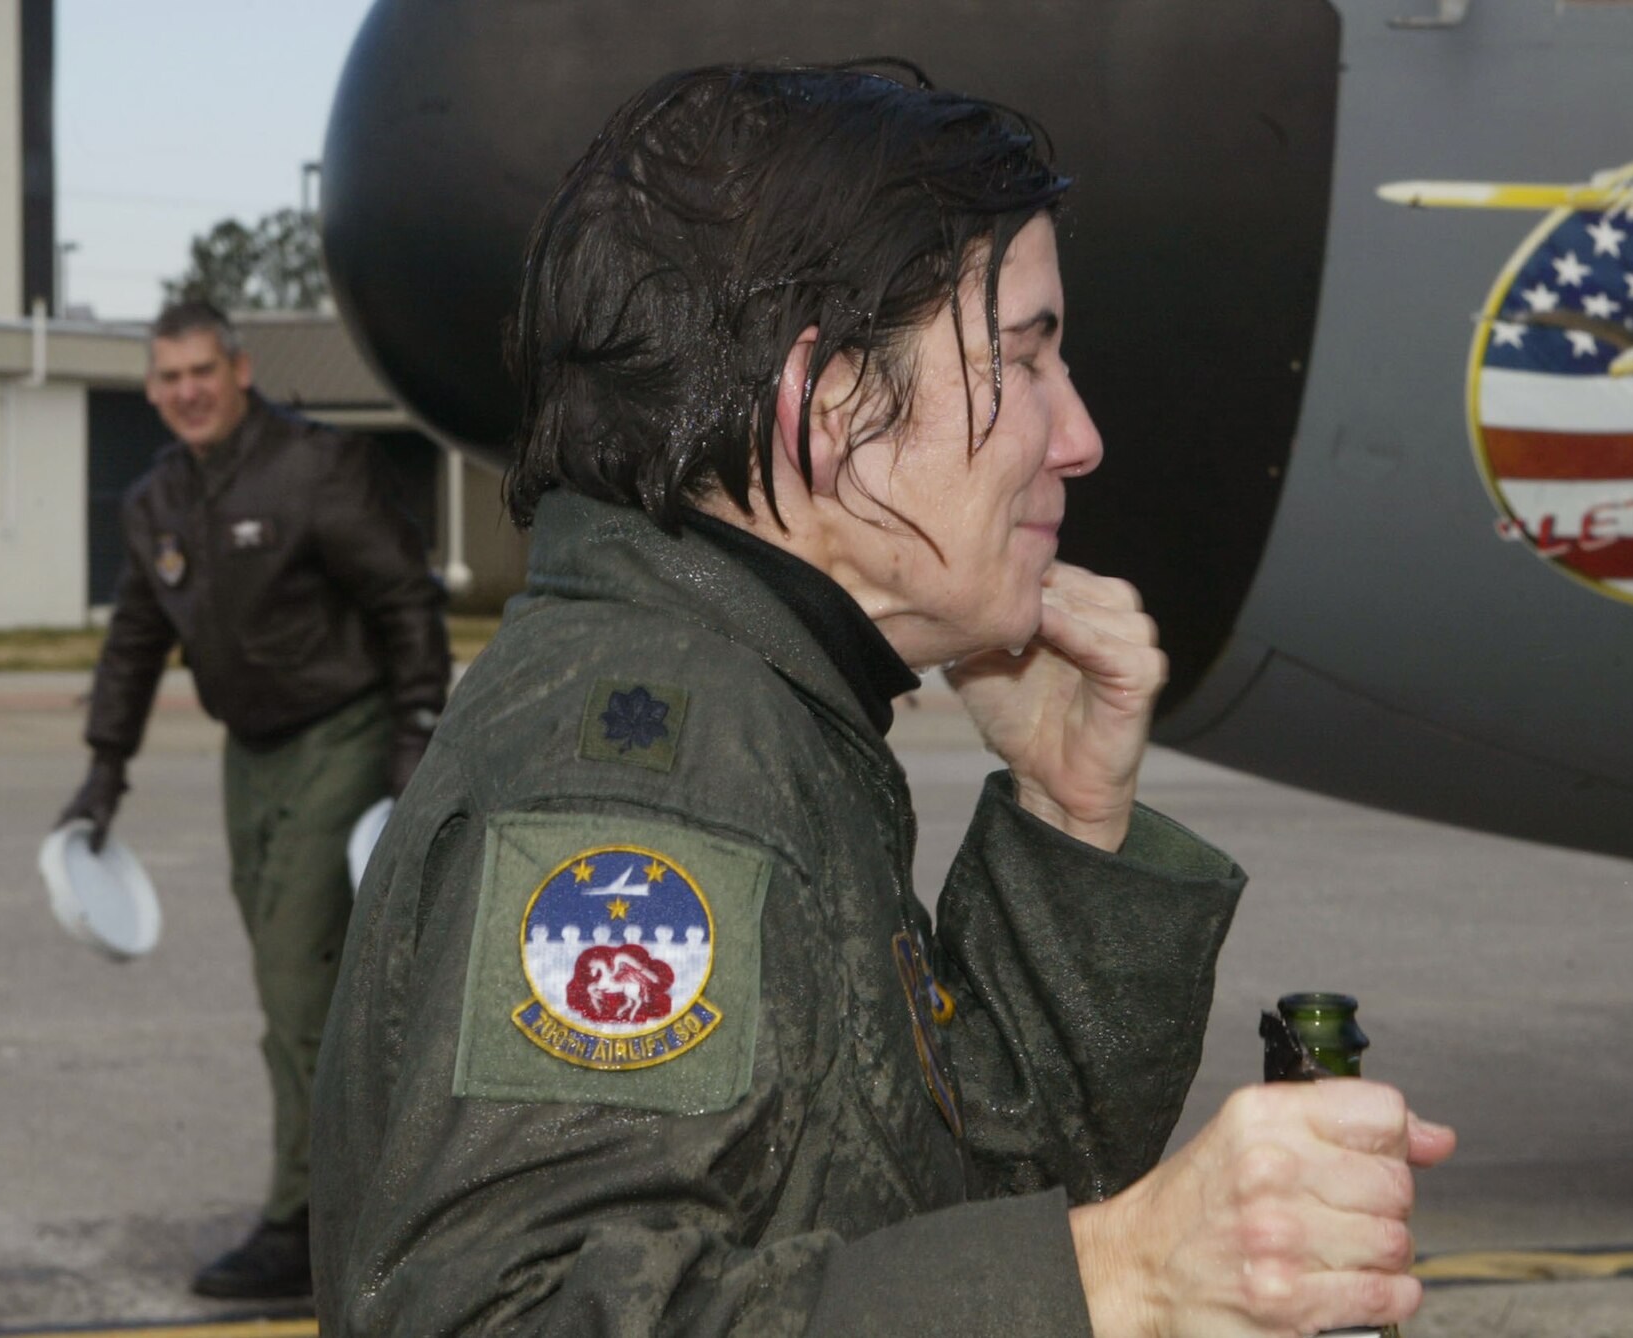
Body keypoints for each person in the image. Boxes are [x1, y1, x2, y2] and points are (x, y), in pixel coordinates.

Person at [311, 65, 1455, 1336]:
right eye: (1023, 359)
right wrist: (1122, 1272)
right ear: (833, 403)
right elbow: (504, 1319)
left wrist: (1068, 826)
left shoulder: (768, 707)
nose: (1077, 437)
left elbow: (942, 1210)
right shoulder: (652, 778)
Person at [57, 301, 451, 1300]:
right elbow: (135, 642)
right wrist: (104, 773)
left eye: (202, 369)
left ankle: (312, 1228)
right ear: (150, 389)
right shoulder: (155, 502)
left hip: (343, 738)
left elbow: (404, 597)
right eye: (167, 376)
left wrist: (413, 732)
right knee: (296, 994)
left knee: (298, 990)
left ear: (238, 369)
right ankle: (372, 1204)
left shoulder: (315, 467)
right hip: (252, 754)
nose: (186, 390)